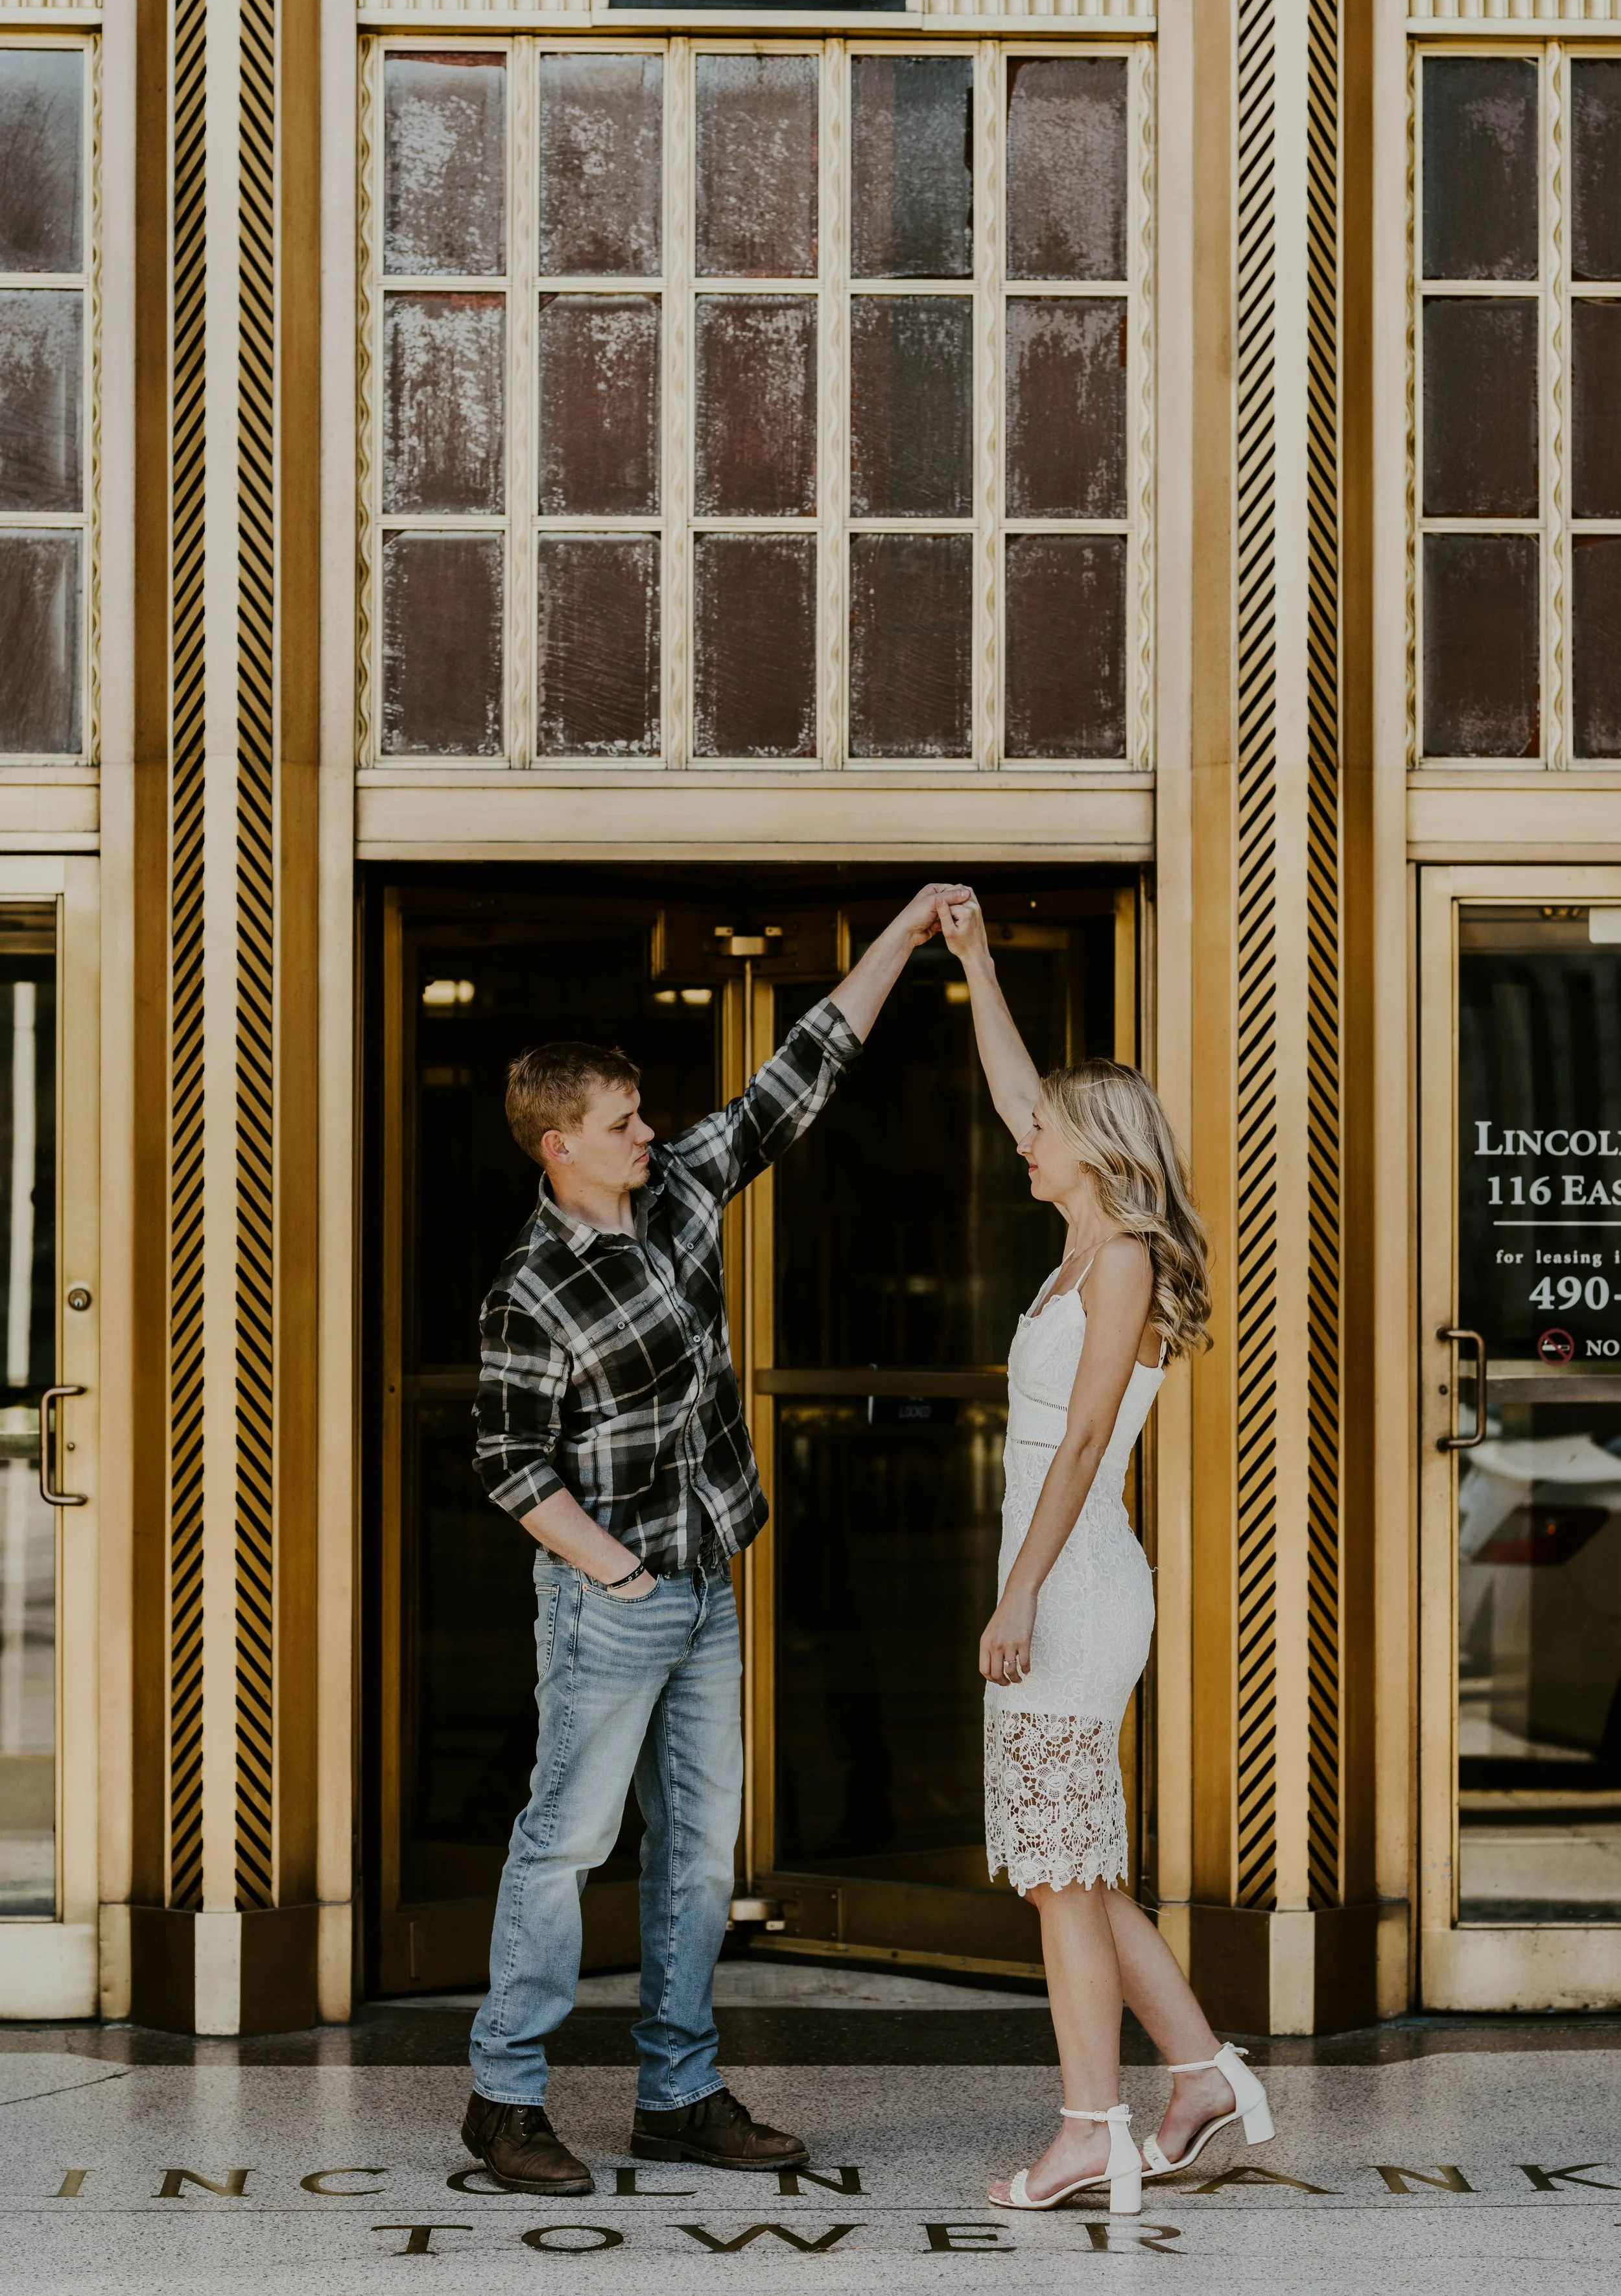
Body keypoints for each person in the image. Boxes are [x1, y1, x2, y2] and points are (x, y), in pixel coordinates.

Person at [462, 882, 969, 2197]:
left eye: (641, 1113)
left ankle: (675, 2092)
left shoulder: (679, 1189)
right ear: (557, 1144)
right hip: (609, 1599)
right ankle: (504, 2096)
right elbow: (506, 1464)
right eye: (621, 1120)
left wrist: (903, 939)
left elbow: (795, 1077)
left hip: (708, 1585)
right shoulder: (529, 1289)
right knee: (566, 1841)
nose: (648, 1129)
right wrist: (617, 1568)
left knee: (695, 1852)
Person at [940, 890, 1274, 2218]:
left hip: (1070, 1585)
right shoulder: (1084, 1234)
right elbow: (1017, 1082)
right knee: (1070, 1864)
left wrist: (1013, 1596)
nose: (1024, 1139)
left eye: (1044, 1131)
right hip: (1065, 1577)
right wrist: (973, 964)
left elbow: (1079, 1445)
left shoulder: (1121, 1255)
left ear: (1092, 1149)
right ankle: (1195, 2078)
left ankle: (1093, 2131)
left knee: (1057, 1877)